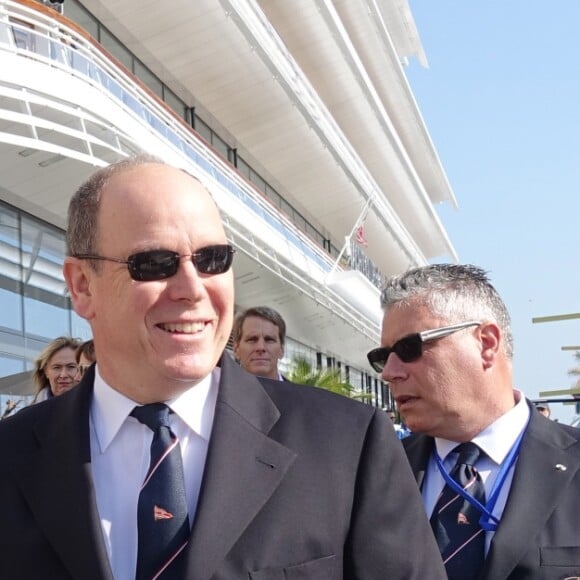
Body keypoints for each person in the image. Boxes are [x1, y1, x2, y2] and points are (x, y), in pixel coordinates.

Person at [0, 156, 446, 579]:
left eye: (213, 259)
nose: (193, 288)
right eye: (155, 263)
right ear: (82, 286)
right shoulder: (12, 457)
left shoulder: (347, 444)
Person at [368, 263, 580, 580]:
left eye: (409, 348)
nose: (389, 372)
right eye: (383, 357)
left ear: (486, 343)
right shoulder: (375, 475)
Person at [232, 306, 286, 380]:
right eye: (251, 339)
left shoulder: (301, 391)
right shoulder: (216, 391)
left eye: (269, 340)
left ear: (282, 350)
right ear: (236, 349)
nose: (261, 347)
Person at [31, 336, 82, 403]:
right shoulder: (30, 413)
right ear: (46, 371)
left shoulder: (97, 408)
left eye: (71, 367)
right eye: (57, 367)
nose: (63, 375)